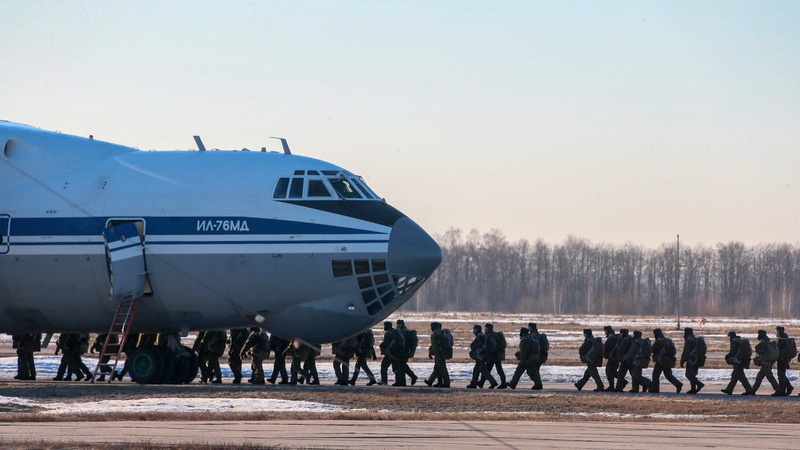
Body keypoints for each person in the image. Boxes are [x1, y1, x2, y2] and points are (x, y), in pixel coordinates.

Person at [650, 328, 682, 393]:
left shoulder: (659, 341)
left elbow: (653, 350)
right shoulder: (666, 341)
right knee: (668, 375)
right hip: (667, 360)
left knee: (655, 374)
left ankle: (655, 389)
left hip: (661, 361)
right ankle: (678, 384)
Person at [721, 331, 753, 395]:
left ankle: (749, 390)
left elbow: (732, 352)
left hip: (738, 361)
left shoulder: (735, 342)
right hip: (742, 360)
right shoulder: (740, 341)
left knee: (741, 377)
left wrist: (727, 356)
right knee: (734, 376)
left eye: (729, 337)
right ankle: (729, 389)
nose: (729, 338)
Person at [750, 329, 780, 396]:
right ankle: (752, 391)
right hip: (766, 363)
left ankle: (778, 390)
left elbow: (761, 351)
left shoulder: (764, 342)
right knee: (759, 377)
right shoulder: (767, 341)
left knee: (770, 378)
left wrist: (756, 348)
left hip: (765, 363)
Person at [467, 324, 496, 389]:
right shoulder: (481, 336)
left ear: (477, 330)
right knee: (476, 370)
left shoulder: (480, 337)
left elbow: (479, 347)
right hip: (480, 356)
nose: (473, 330)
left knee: (484, 371)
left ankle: (493, 382)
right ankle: (473, 384)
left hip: (480, 357)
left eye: (474, 329)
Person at [479, 323, 507, 389]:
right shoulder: (495, 335)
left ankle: (500, 384)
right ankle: (482, 382)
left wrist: (483, 351)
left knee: (490, 370)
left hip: (493, 356)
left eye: (486, 328)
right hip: (497, 356)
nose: (485, 330)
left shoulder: (490, 336)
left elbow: (489, 347)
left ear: (490, 329)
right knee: (493, 370)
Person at [679, 327, 705, 394]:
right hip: (697, 359)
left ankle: (699, 384)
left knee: (688, 375)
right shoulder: (695, 340)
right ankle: (693, 389)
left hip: (691, 360)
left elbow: (686, 352)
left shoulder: (689, 340)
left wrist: (682, 361)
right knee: (692, 375)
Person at [425, 322, 450, 388]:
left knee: (442, 368)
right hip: (443, 352)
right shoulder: (441, 333)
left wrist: (436, 354)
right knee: (437, 368)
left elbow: (435, 346)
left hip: (439, 354)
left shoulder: (435, 334)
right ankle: (435, 382)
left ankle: (446, 382)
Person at [378, 321, 403, 385]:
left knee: (384, 366)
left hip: (390, 353)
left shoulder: (388, 333)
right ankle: (399, 381)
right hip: (395, 352)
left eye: (385, 325)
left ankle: (384, 380)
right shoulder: (394, 332)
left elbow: (386, 343)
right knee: (396, 367)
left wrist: (381, 345)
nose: (384, 327)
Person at [395, 319, 418, 386]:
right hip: (407, 351)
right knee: (403, 365)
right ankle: (410, 378)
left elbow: (400, 342)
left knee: (401, 366)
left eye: (398, 324)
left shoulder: (402, 332)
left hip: (403, 351)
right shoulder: (407, 331)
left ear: (400, 324)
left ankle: (403, 381)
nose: (397, 325)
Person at [775, 326, 794, 396]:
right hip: (785, 359)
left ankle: (782, 391)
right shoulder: (786, 338)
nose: (775, 333)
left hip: (782, 359)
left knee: (781, 375)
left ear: (779, 332)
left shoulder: (781, 340)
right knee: (782, 374)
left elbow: (778, 350)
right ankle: (788, 387)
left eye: (776, 331)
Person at [527, 323, 545, 390]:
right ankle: (537, 384)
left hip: (535, 356)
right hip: (541, 356)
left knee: (531, 371)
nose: (528, 329)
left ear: (531, 328)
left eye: (529, 327)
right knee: (536, 371)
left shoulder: (533, 336)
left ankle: (538, 384)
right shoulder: (539, 335)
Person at [602, 326, 619, 391]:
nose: (605, 333)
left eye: (605, 331)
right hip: (613, 357)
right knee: (612, 372)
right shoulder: (613, 337)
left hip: (613, 357)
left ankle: (612, 386)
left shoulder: (612, 338)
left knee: (609, 371)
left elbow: (608, 347)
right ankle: (621, 381)